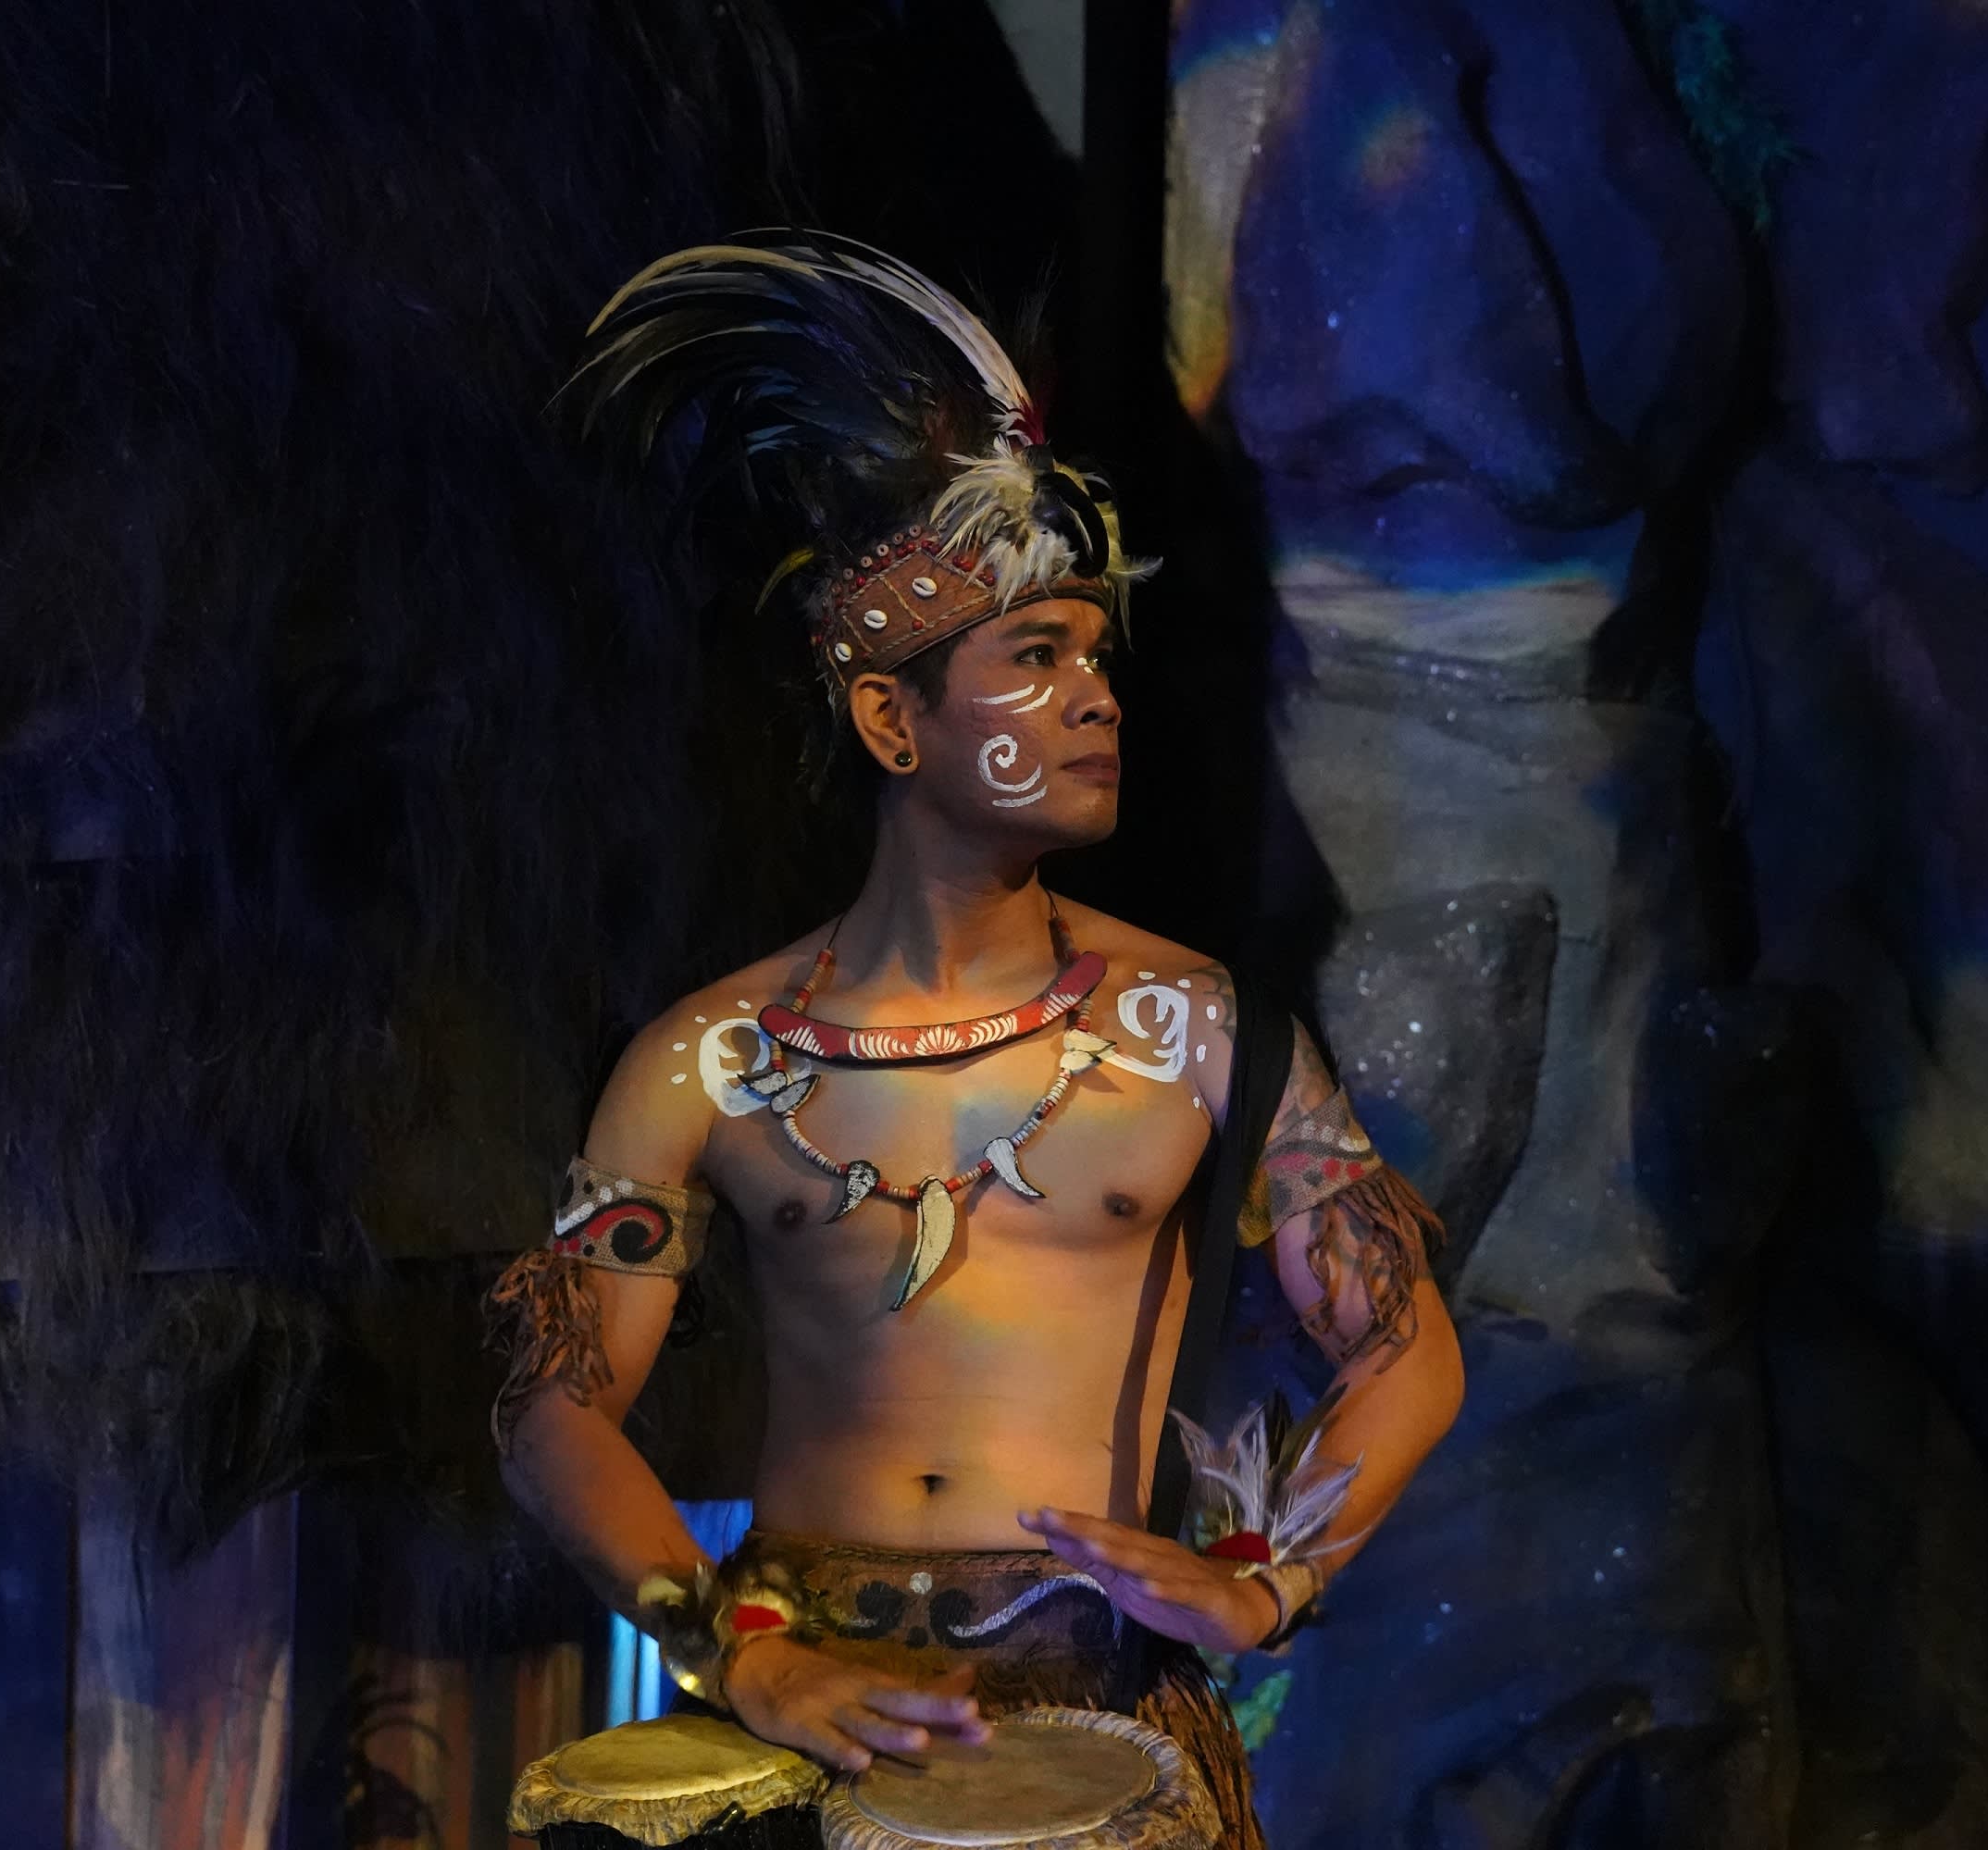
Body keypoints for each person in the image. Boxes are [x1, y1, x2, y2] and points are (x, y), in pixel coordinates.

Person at [490, 238, 1463, 1847]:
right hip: (792, 1704)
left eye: (1096, 656)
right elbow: (551, 1410)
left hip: (1096, 1716)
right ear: (893, 720)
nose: (1098, 698)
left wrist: (1267, 1583)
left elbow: (1406, 1348)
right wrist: (736, 1653)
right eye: (1035, 659)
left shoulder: (1197, 1031)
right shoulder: (707, 1058)